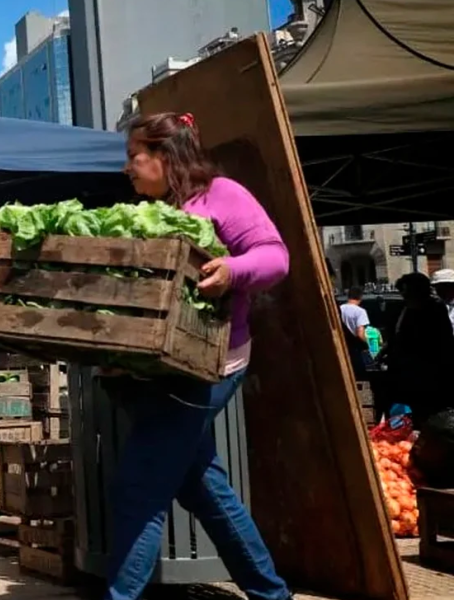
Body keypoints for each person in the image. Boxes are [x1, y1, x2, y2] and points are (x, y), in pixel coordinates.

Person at [101, 112, 293, 600]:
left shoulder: (223, 194)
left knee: (138, 490)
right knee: (203, 487)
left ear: (164, 156)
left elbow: (274, 256)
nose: (127, 168)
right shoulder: (151, 207)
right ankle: (272, 595)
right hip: (154, 370)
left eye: (134, 157)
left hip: (208, 365)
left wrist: (232, 269)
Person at [379, 272, 454, 426]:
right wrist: (385, 352)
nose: (406, 297)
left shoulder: (435, 309)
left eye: (409, 293)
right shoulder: (402, 310)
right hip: (404, 375)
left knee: (429, 418)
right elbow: (395, 336)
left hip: (429, 377)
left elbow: (443, 343)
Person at [339, 287, 373, 377]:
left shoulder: (339, 309)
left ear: (348, 296)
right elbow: (360, 333)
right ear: (360, 297)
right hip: (355, 349)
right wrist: (369, 344)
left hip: (341, 347)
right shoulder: (360, 311)